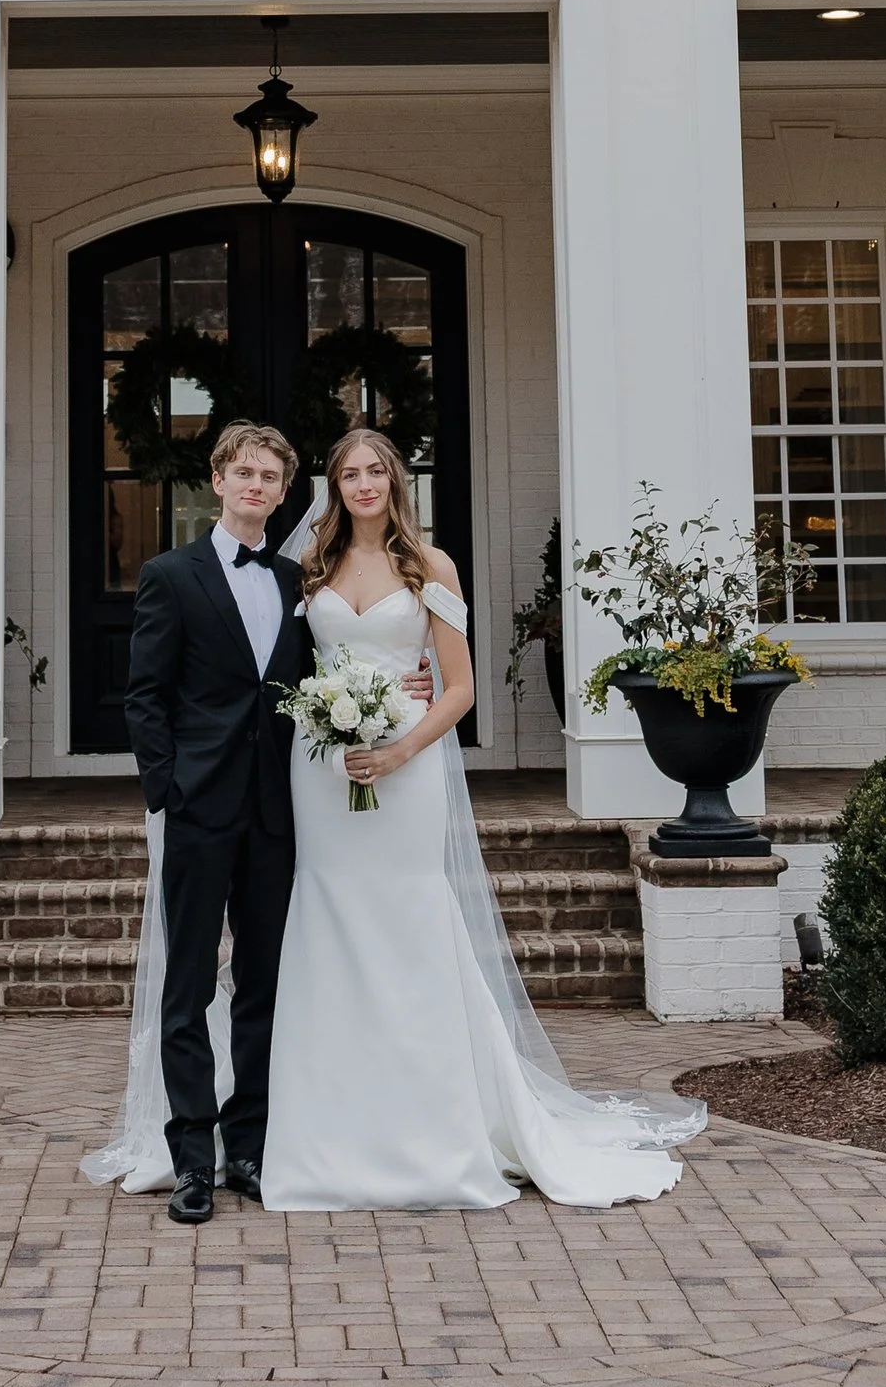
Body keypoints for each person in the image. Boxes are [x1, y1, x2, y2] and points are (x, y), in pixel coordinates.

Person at [258, 422, 705, 1212]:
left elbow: (459, 688)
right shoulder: (310, 566)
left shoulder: (431, 567)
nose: (363, 484)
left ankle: (436, 1124)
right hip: (323, 771)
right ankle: (330, 1124)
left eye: (375, 471)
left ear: (396, 481)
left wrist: (398, 751)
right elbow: (289, 668)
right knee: (326, 917)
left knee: (410, 922)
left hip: (410, 764)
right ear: (334, 487)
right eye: (348, 474)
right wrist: (329, 724)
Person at [104, 422, 316, 1225]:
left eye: (271, 476)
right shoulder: (171, 575)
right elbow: (144, 696)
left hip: (276, 813)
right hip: (197, 809)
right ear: (219, 480)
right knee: (188, 986)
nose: (257, 486)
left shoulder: (300, 581)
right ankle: (192, 1157)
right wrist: (166, 790)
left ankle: (249, 1147)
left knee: (263, 984)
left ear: (284, 491)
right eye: (245, 473)